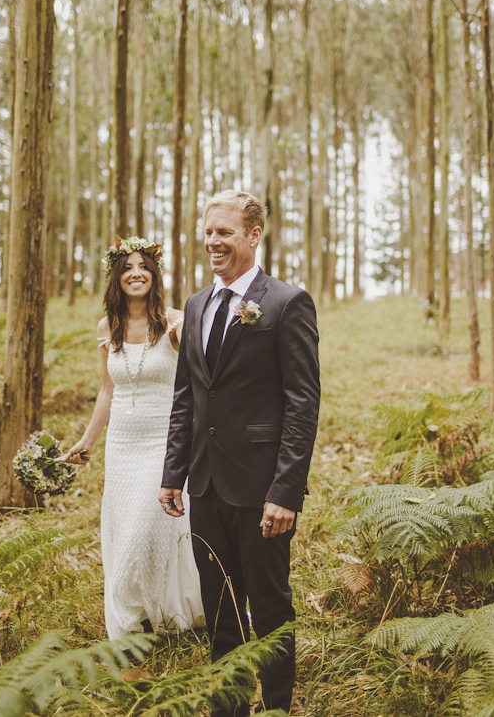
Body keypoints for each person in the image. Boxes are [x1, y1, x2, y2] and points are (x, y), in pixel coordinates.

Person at [159, 191, 320, 716]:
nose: (212, 242)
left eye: (224, 232)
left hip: (261, 491)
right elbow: (187, 396)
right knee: (220, 609)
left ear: (254, 235)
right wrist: (173, 473)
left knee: (270, 609)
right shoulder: (196, 305)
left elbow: (302, 403)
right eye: (208, 232)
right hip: (205, 486)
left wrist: (286, 492)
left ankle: (276, 705)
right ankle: (228, 708)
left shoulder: (286, 302)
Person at [65, 237, 204, 639]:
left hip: (165, 439)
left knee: (149, 523)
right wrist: (88, 441)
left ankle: (146, 611)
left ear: (154, 274)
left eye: (143, 266)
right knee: (125, 526)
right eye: (127, 268)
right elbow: (108, 390)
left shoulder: (176, 323)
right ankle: (140, 616)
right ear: (117, 277)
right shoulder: (107, 327)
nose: (136, 274)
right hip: (123, 444)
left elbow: (197, 385)